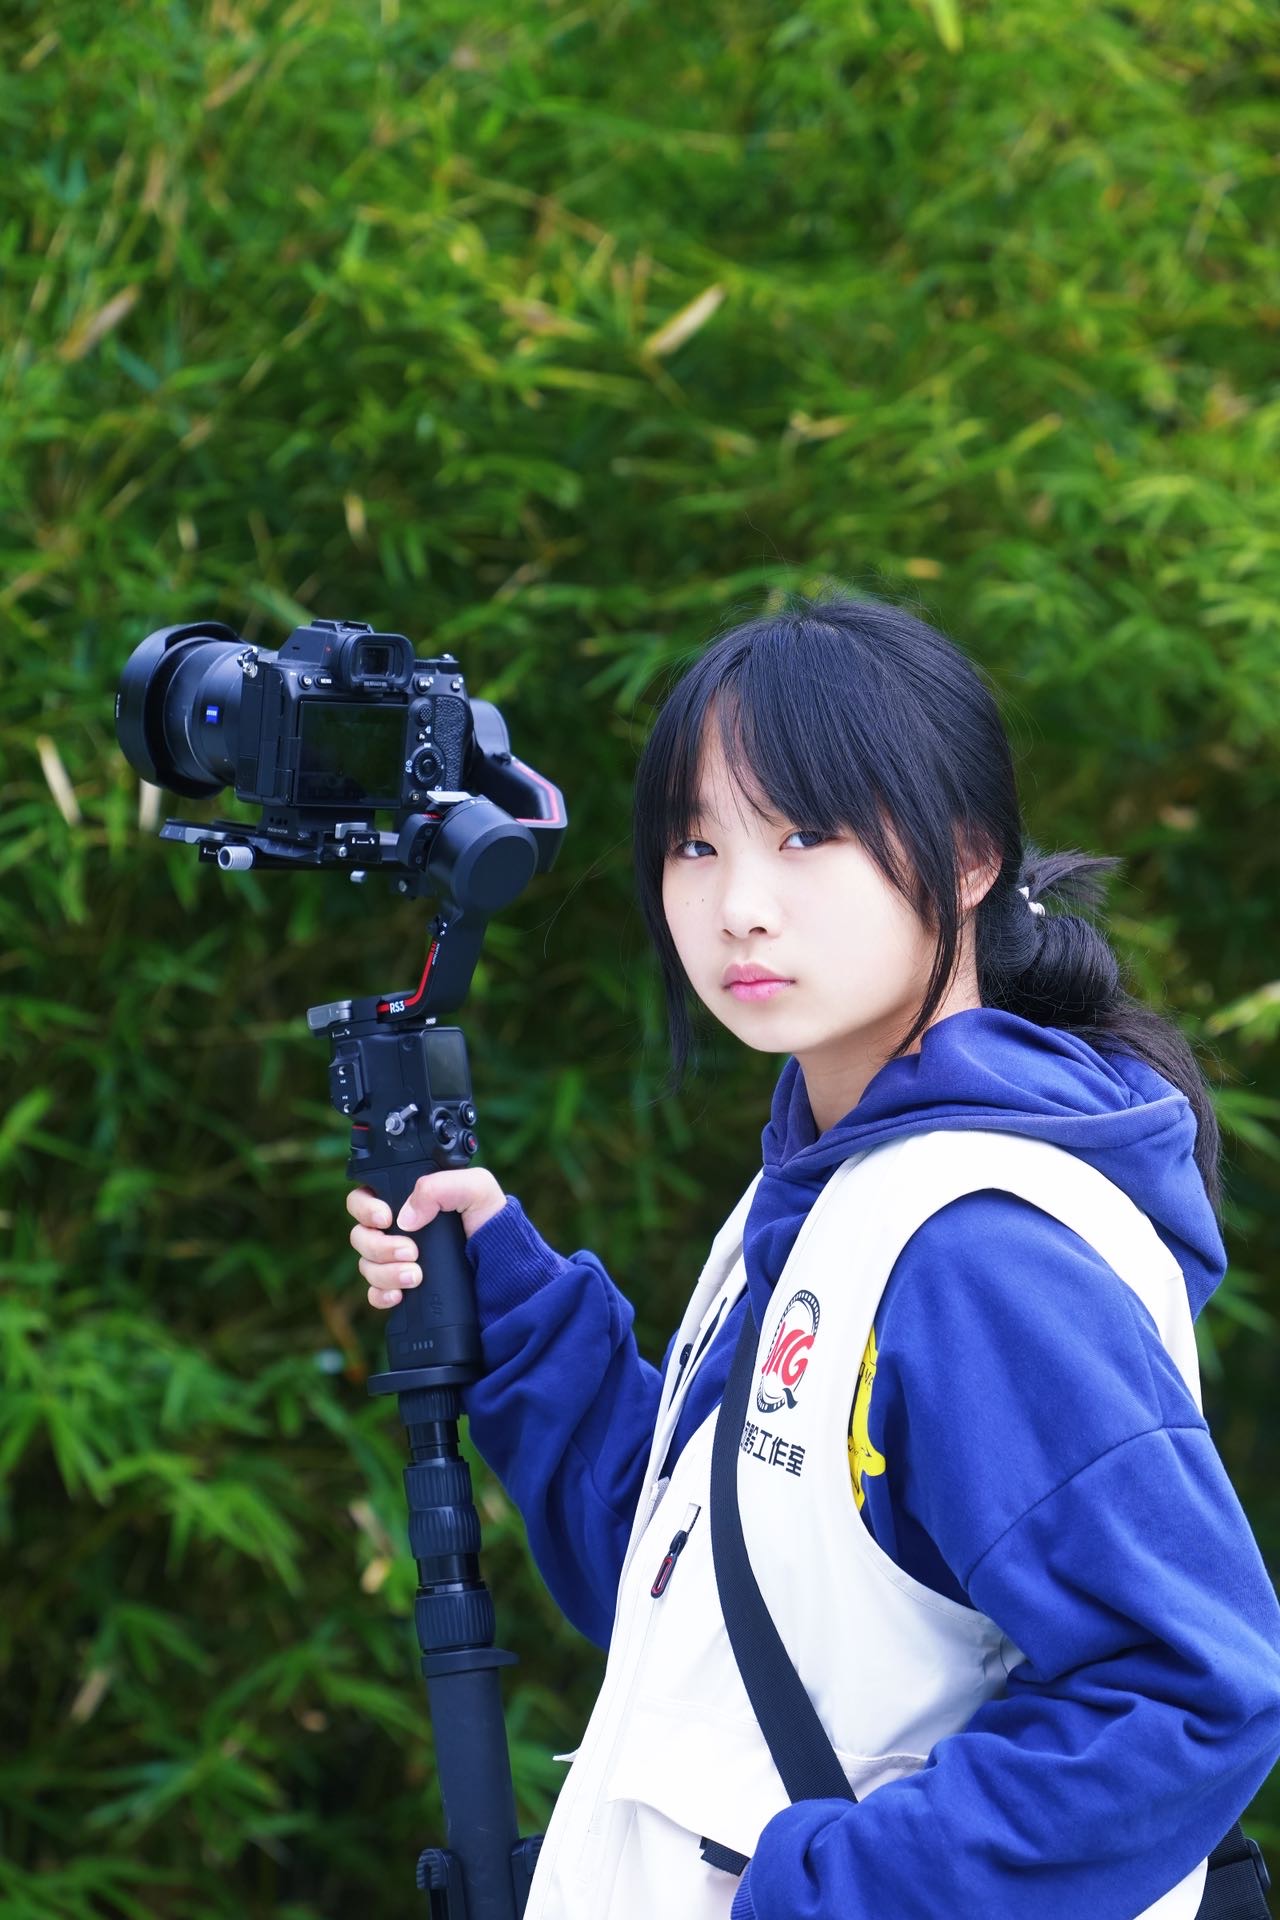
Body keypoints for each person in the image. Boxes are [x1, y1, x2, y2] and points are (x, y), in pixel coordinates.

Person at [345, 596, 1280, 1919]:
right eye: (695, 844)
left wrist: (826, 1896)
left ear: (968, 858)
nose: (739, 906)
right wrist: (506, 1300)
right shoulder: (825, 1191)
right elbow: (708, 1617)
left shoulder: (973, 1248)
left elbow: (1188, 1693)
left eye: (803, 836)